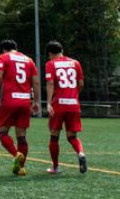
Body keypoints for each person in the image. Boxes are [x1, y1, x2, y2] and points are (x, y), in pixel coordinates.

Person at [0, 39, 40, 176]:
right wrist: (36, 101)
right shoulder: (29, 60)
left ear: (4, 49)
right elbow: (36, 82)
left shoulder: (3, 57)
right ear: (16, 48)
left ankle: (16, 155)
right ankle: (21, 167)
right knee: (21, 136)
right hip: (24, 101)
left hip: (9, 100)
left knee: (1, 132)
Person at [43, 41, 87, 174]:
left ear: (50, 53)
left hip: (59, 104)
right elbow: (80, 83)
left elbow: (50, 83)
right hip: (73, 104)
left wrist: (49, 102)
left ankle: (55, 167)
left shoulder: (50, 64)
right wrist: (73, 95)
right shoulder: (75, 63)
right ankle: (81, 153)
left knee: (54, 136)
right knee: (72, 136)